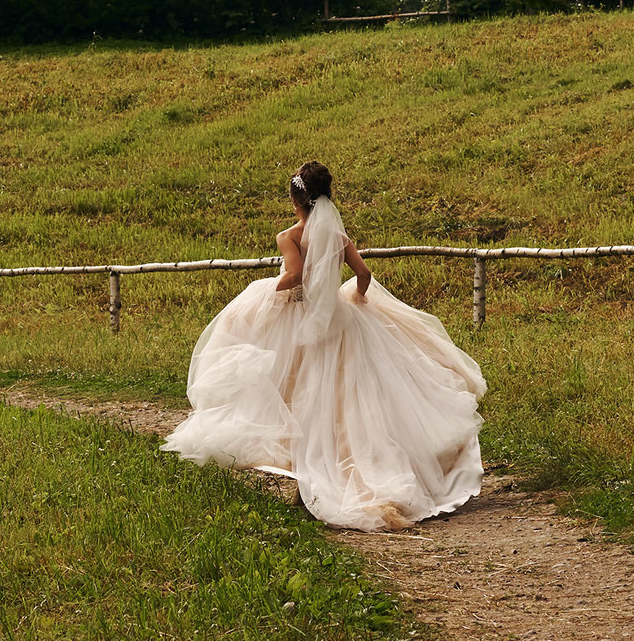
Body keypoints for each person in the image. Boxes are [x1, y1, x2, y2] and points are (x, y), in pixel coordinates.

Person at [163, 162, 486, 531]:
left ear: (294, 199)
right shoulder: (339, 238)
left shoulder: (289, 236)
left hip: (301, 320)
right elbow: (364, 275)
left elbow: (295, 275)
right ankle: (356, 462)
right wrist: (359, 299)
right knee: (347, 397)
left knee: (296, 387)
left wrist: (270, 290)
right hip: (339, 320)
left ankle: (303, 465)